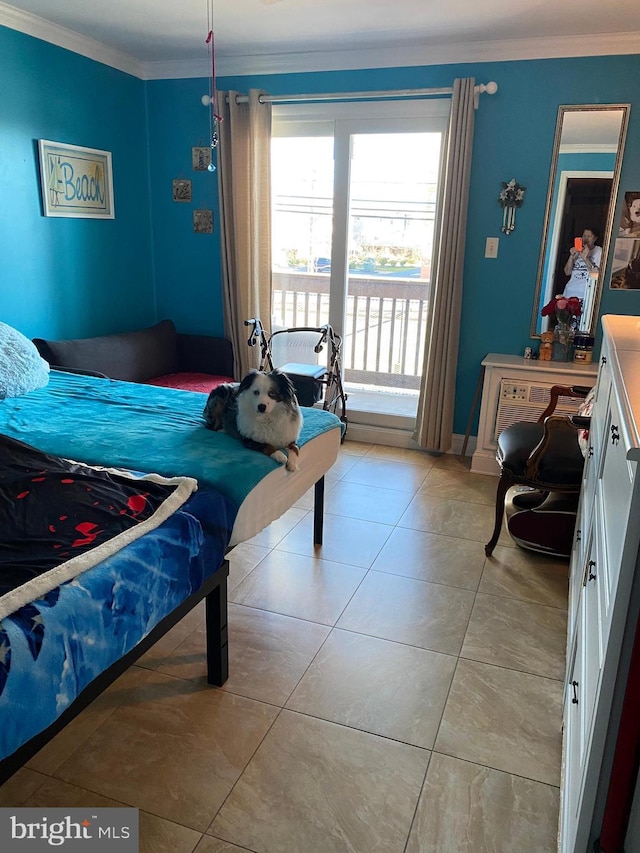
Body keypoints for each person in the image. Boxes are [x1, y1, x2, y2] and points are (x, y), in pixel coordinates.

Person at [563, 227, 601, 301]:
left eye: (589, 236)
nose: (586, 239)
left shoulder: (599, 251)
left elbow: (597, 275)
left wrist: (586, 259)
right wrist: (571, 256)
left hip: (585, 294)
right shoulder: (577, 250)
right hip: (569, 292)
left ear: (595, 238)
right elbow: (567, 272)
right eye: (584, 236)